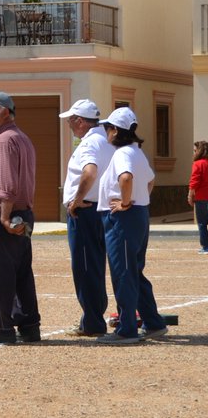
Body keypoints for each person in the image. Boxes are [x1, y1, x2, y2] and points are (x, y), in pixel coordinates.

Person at [0, 91, 41, 345]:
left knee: (0, 274)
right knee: (22, 272)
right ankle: (29, 325)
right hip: (23, 212)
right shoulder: (21, 138)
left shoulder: (3, 141)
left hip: (5, 214)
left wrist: (3, 216)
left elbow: (9, 184)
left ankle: (1, 328)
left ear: (5, 111)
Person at [96, 107, 167, 344]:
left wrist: (125, 202)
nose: (106, 132)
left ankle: (126, 329)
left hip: (123, 219)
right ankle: (154, 323)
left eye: (108, 128)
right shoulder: (137, 152)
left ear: (116, 130)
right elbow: (150, 180)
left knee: (123, 272)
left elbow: (126, 178)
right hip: (137, 215)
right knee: (133, 271)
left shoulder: (123, 154)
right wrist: (138, 201)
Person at [58, 99, 114, 337]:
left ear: (80, 121)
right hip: (101, 210)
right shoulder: (106, 141)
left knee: (84, 267)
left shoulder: (90, 144)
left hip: (86, 211)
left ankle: (92, 322)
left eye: (71, 121)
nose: (70, 125)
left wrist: (77, 199)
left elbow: (89, 172)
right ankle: (91, 318)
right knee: (95, 265)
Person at [188, 141, 208, 254]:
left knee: (202, 223)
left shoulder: (198, 164)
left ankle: (206, 247)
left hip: (202, 198)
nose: (194, 153)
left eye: (195, 150)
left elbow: (194, 181)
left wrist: (190, 195)